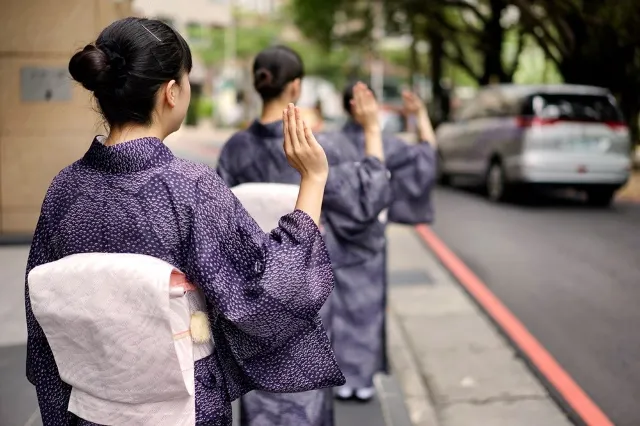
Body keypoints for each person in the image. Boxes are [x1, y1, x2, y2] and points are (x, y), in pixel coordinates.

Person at [24, 18, 344, 426]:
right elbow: (269, 293)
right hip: (184, 407)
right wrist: (313, 180)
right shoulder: (189, 188)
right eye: (187, 78)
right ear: (171, 92)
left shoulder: (64, 189)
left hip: (92, 409)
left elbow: (44, 319)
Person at [216, 46, 392, 426]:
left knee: (258, 391)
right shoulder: (316, 147)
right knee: (306, 397)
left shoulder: (234, 149)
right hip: (303, 294)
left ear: (259, 84)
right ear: (295, 87)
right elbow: (370, 196)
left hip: (252, 299)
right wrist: (373, 129)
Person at [334, 82, 438, 401]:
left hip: (335, 240)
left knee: (337, 307)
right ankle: (362, 379)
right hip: (372, 243)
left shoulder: (328, 143)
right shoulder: (386, 146)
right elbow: (425, 158)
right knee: (366, 310)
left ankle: (340, 375)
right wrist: (420, 116)